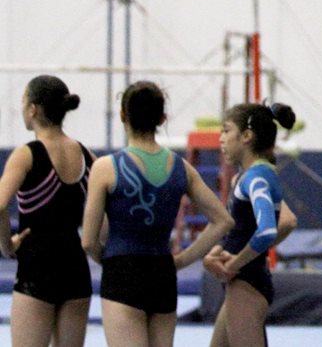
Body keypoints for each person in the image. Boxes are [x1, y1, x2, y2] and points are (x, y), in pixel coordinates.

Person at [81, 81, 235, 347]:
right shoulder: (181, 168)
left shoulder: (106, 168)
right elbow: (223, 221)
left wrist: (107, 259)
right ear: (162, 118)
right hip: (162, 273)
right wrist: (183, 259)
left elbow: (88, 241)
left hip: (122, 272)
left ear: (122, 116)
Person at [0, 76, 95, 347]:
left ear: (33, 109)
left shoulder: (27, 154)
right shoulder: (87, 155)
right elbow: (108, 212)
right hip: (76, 269)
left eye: (22, 102)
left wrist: (6, 246)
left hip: (37, 269)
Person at [204, 102, 298, 347]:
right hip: (243, 280)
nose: (220, 138)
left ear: (246, 136)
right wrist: (221, 253)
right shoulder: (249, 176)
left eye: (226, 131)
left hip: (246, 282)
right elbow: (240, 231)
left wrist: (234, 263)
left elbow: (267, 230)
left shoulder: (257, 178)